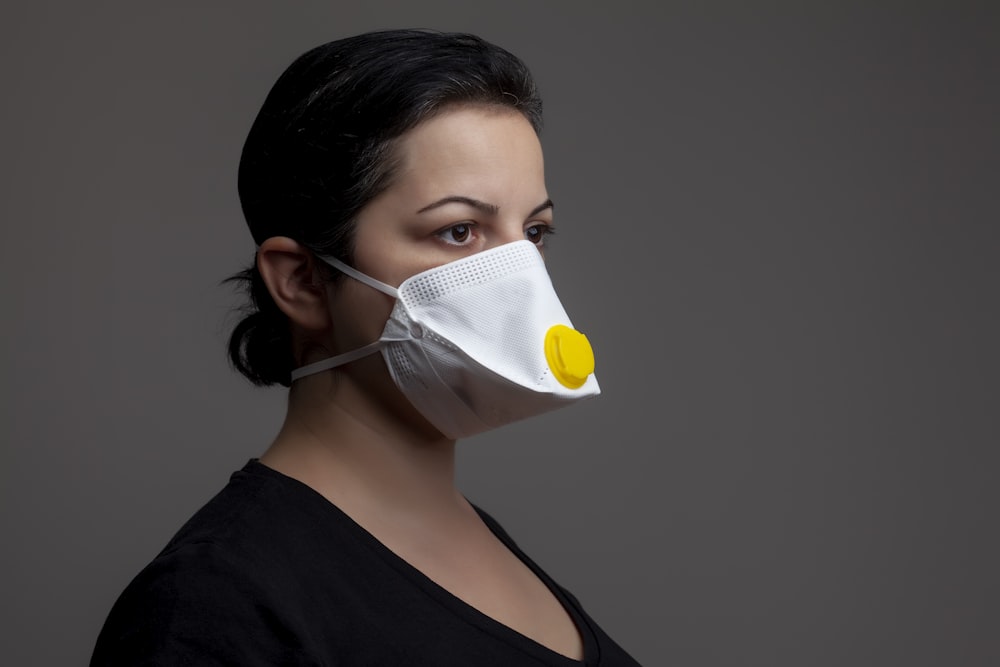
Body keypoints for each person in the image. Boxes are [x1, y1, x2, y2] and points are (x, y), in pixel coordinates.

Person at [91, 29, 640, 666]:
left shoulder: (482, 543)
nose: (518, 278)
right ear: (301, 282)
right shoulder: (218, 604)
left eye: (533, 232)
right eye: (458, 231)